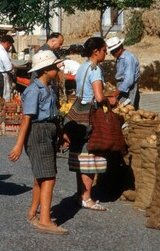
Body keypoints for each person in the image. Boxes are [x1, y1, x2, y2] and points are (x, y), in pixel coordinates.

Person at [8, 50, 69, 235]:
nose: (57, 69)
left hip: (47, 130)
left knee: (40, 176)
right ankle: (44, 220)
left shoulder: (48, 88)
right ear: (44, 70)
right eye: (53, 67)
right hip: (38, 132)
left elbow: (54, 116)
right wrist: (19, 144)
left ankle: (32, 213)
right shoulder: (34, 90)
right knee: (48, 176)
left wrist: (61, 133)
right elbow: (26, 118)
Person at [63, 37, 116, 211]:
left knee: (80, 155)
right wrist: (111, 101)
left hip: (79, 113)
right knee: (89, 156)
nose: (106, 53)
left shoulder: (82, 67)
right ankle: (86, 198)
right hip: (90, 115)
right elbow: (99, 96)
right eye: (104, 49)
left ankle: (81, 194)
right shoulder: (95, 69)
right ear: (96, 51)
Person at [106, 36, 140, 109]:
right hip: (122, 86)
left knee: (128, 108)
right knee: (120, 107)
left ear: (120, 49)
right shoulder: (120, 58)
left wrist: (116, 93)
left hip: (129, 87)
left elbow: (129, 80)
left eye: (113, 52)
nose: (112, 54)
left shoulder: (128, 58)